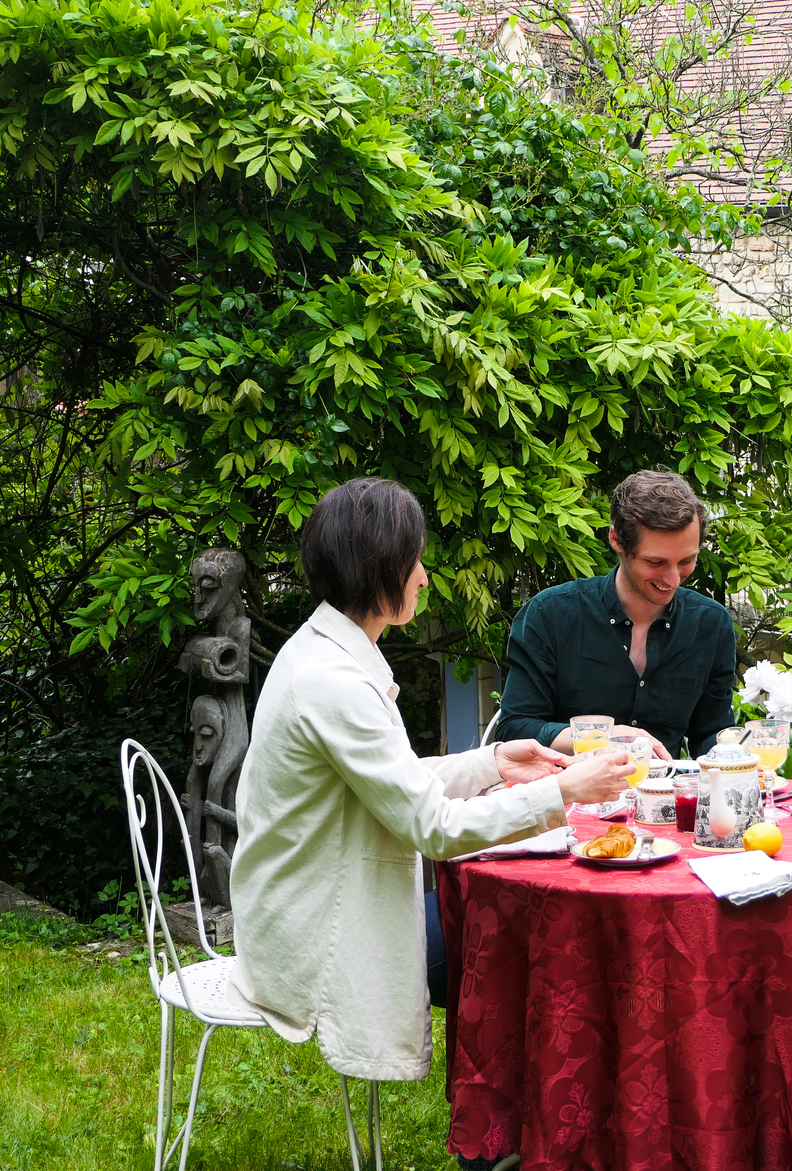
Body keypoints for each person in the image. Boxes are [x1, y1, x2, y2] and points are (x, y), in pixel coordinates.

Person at [229, 477, 630, 1100]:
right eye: (413, 561)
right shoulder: (333, 682)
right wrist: (565, 792)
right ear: (380, 568)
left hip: (292, 908)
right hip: (312, 938)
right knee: (528, 953)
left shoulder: (324, 652)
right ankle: (503, 1137)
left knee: (530, 944)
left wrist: (495, 762)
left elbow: (395, 785)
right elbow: (434, 828)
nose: (422, 576)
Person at [493, 471, 738, 760]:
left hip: (661, 796)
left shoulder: (711, 624)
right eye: (655, 562)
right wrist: (604, 738)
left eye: (686, 560)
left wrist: (735, 755)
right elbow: (515, 729)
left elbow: (711, 733)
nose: (673, 579)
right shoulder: (550, 615)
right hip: (568, 796)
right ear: (617, 539)